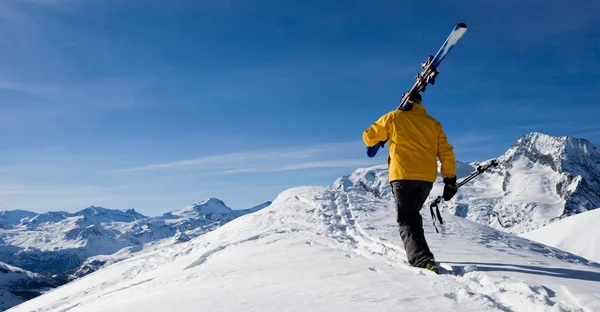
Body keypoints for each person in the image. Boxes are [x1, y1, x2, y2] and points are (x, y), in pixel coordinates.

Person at [362, 91, 457, 274]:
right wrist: (449, 179)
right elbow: (446, 152)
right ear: (420, 103)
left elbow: (368, 136)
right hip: (426, 179)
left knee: (407, 219)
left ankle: (422, 259)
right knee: (412, 216)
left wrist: (384, 136)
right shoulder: (433, 124)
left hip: (403, 175)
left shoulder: (394, 117)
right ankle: (421, 254)